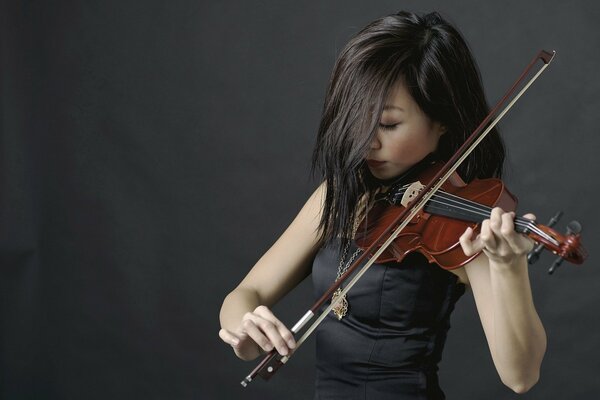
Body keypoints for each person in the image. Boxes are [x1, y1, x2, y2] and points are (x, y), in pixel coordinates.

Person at [219, 10, 546, 399]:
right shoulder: (339, 192)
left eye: (388, 125)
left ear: (442, 122)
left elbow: (520, 375)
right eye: (358, 120)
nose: (367, 141)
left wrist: (509, 267)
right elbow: (244, 294)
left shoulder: (460, 227)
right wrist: (246, 328)